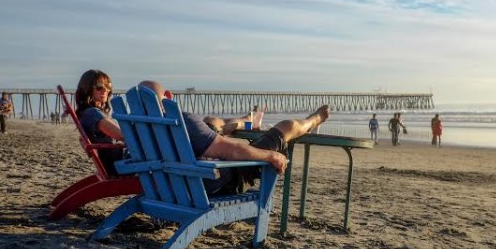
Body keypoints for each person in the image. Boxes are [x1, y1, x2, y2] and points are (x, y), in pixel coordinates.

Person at [138, 80, 329, 195]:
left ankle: (248, 121)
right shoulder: (182, 121)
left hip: (171, 187)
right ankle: (313, 120)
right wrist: (271, 156)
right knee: (287, 127)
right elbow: (233, 150)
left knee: (210, 120)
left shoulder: (136, 126)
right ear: (169, 96)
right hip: (214, 181)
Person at [75, 69, 125, 175]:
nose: (105, 90)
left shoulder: (88, 113)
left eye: (108, 86)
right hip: (119, 164)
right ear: (87, 90)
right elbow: (122, 135)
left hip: (116, 161)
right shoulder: (92, 113)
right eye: (99, 87)